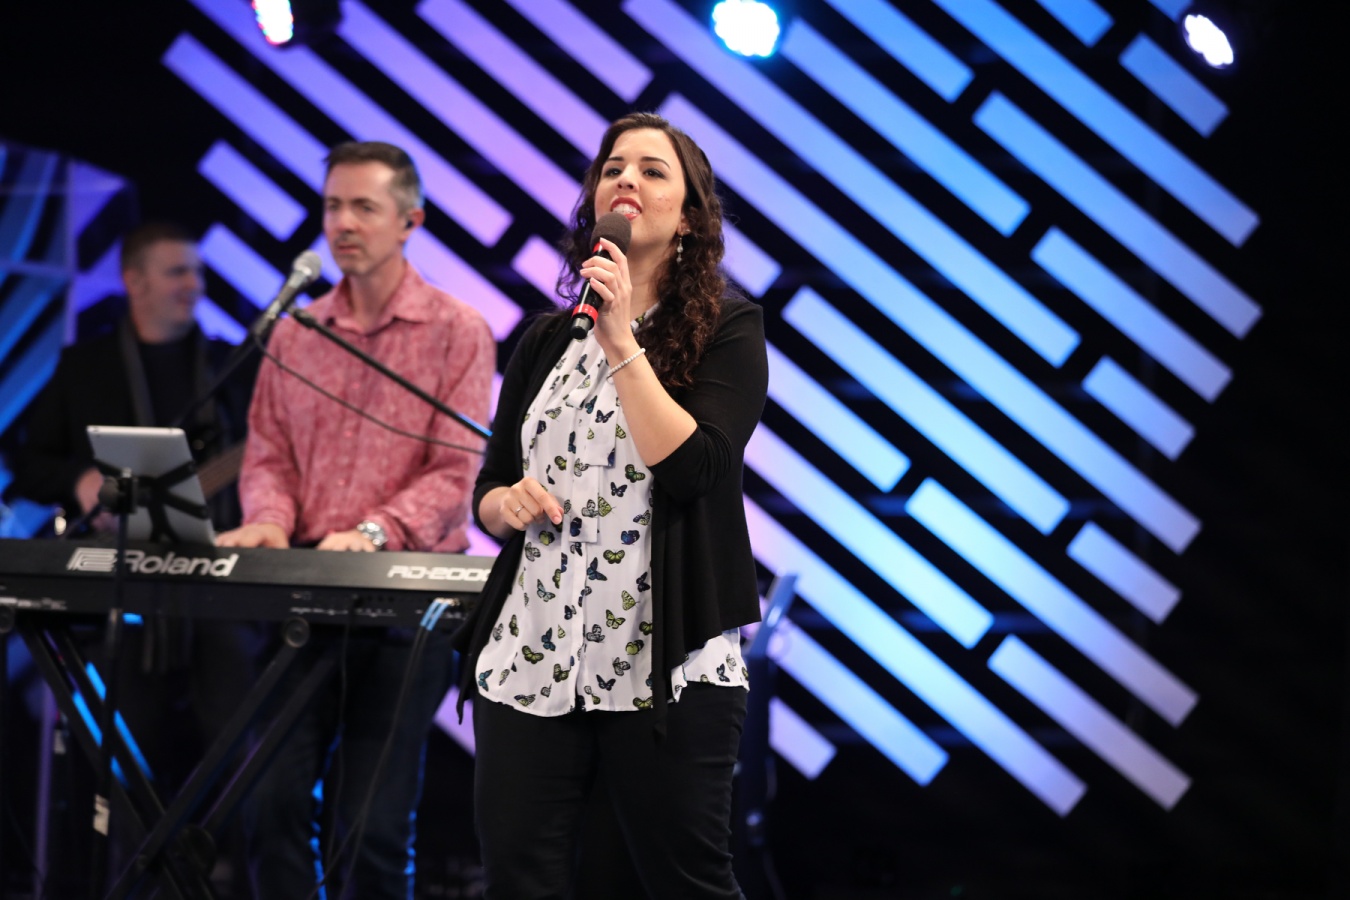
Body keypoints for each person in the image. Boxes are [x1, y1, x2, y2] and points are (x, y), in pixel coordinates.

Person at [452, 112, 768, 899]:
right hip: (533, 652)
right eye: (614, 167)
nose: (626, 179)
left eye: (653, 171)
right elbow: (488, 490)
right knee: (517, 882)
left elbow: (696, 469)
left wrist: (624, 339)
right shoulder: (546, 340)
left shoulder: (729, 328)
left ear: (688, 218)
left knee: (685, 883)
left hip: (663, 660)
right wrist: (507, 503)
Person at [216, 140, 494, 899]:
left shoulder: (457, 329)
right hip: (305, 595)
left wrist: (373, 533)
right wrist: (270, 520)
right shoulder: (296, 331)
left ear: (410, 221)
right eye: (333, 205)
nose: (342, 223)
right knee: (270, 808)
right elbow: (268, 454)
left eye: (363, 207)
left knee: (371, 828)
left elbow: (456, 472)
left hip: (408, 607)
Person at [3, 220, 259, 893]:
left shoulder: (230, 368)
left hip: (220, 590)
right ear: (133, 281)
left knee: (244, 750)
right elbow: (29, 462)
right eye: (177, 272)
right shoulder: (85, 367)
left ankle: (231, 880)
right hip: (121, 597)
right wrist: (81, 481)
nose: (193, 285)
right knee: (119, 760)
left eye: (196, 272)